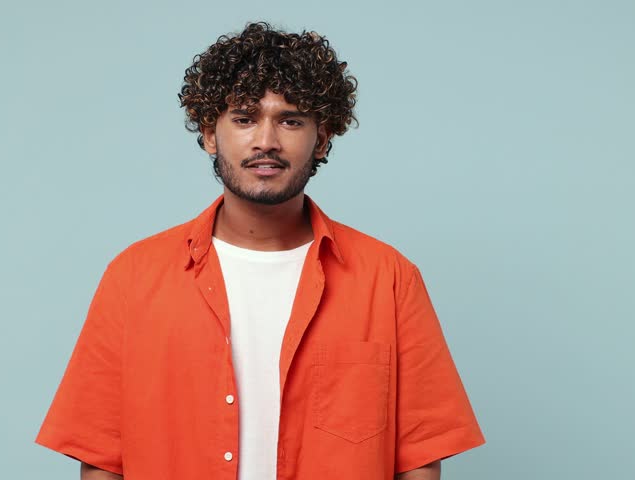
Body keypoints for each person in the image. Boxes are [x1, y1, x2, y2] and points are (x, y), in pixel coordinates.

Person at [36, 21, 485, 480]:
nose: (266, 141)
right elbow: (100, 459)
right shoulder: (134, 277)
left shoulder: (388, 279)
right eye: (245, 118)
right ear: (211, 133)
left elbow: (420, 459)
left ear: (322, 139)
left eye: (290, 120)